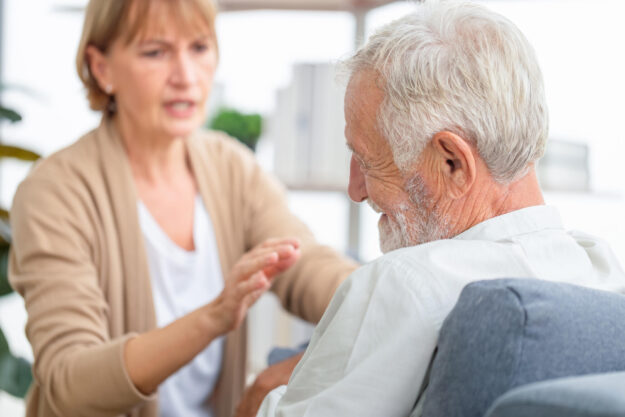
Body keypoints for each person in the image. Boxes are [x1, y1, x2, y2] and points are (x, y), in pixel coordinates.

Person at [257, 1, 625, 416]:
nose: (355, 190)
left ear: (452, 162)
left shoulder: (403, 285)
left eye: (367, 159)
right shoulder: (603, 274)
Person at [8, 1, 357, 417]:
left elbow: (306, 264)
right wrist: (212, 318)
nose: (186, 76)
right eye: (155, 52)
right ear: (101, 67)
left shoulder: (233, 167)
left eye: (199, 47)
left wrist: (390, 293)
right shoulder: (55, 191)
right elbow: (71, 382)